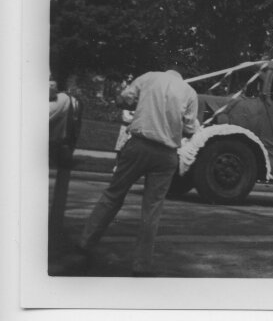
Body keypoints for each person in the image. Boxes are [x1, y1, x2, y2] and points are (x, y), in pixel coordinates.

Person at [77, 63, 199, 276]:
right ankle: (141, 265)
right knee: (152, 209)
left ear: (166, 70)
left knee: (113, 194)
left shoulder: (149, 77)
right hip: (166, 154)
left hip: (138, 145)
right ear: (182, 76)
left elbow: (124, 99)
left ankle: (86, 242)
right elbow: (189, 128)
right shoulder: (189, 92)